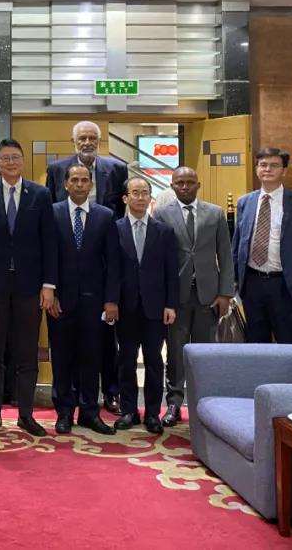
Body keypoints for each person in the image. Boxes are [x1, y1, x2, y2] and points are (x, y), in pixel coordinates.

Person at [0, 138, 57, 436]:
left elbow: (48, 243)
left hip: (29, 287)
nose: (11, 162)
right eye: (5, 158)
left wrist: (48, 285)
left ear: (22, 160)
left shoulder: (40, 194)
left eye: (15, 157)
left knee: (27, 353)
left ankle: (26, 415)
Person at [45, 121, 128, 415]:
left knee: (100, 347)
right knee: (64, 353)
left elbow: (119, 221)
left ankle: (101, 400)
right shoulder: (57, 173)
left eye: (93, 137)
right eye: (82, 138)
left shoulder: (116, 171)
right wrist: (51, 288)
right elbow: (49, 244)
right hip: (64, 281)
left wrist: (111, 296)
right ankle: (65, 408)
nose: (87, 142)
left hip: (97, 278)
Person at [155, 167, 235, 427]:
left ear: (198, 185)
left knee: (204, 352)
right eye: (180, 183)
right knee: (175, 353)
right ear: (172, 185)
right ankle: (174, 404)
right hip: (176, 296)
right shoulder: (162, 213)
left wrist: (225, 293)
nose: (185, 186)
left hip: (208, 295)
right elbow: (160, 258)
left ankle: (203, 404)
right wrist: (163, 298)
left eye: (190, 182)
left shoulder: (215, 213)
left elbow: (225, 254)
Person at [233, 147, 292, 345]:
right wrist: (233, 281)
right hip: (252, 284)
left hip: (286, 285)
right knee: (256, 343)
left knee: (289, 342)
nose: (267, 169)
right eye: (263, 165)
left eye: (274, 165)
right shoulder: (245, 202)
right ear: (257, 169)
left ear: (284, 171)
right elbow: (237, 244)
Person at [114, 177, 178, 435]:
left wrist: (170, 304)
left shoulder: (164, 231)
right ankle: (129, 410)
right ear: (125, 198)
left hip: (155, 308)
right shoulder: (115, 229)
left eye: (144, 193)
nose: (140, 197)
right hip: (125, 307)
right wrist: (111, 302)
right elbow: (110, 270)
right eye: (135, 193)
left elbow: (171, 272)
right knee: (126, 359)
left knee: (154, 360)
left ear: (150, 198)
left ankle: (152, 412)